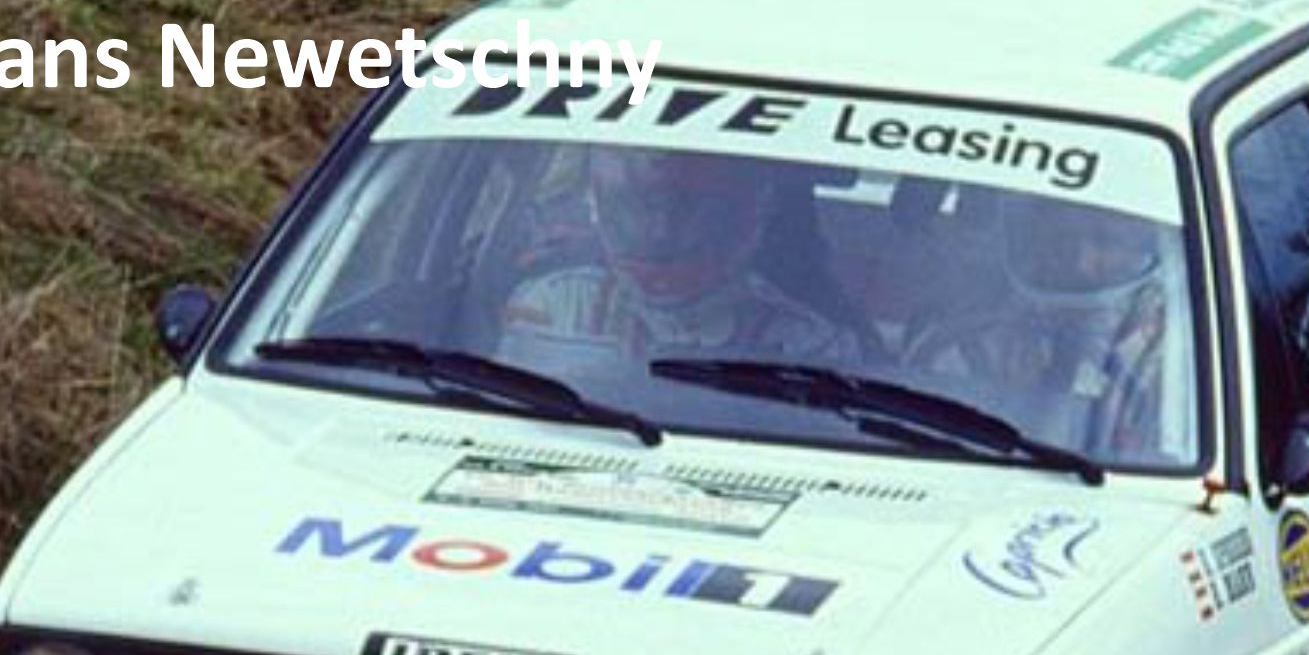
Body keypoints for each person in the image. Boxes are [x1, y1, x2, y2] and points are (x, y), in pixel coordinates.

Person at [496, 148, 859, 388]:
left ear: (744, 216)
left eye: (689, 210)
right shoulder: (557, 304)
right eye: (639, 208)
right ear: (598, 207)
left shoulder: (809, 344)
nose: (661, 234)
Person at [905, 192, 1194, 464]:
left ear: (1145, 252)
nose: (1081, 264)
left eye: (1107, 243)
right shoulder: (962, 348)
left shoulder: (1184, 369)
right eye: (1063, 242)